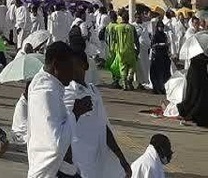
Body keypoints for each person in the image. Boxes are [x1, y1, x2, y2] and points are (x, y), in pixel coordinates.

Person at [27, 42, 94, 178]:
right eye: (69, 68)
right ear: (56, 65)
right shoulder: (45, 92)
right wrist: (75, 112)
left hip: (64, 168)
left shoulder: (49, 84)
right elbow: (54, 145)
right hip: (52, 169)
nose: (72, 75)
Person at [64, 50, 128, 178]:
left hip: (97, 158)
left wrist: (121, 157)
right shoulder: (67, 92)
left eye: (74, 64)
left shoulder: (93, 91)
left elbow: (103, 125)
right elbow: (63, 128)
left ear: (85, 66)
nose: (71, 69)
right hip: (78, 159)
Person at [105, 11, 138, 89]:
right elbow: (136, 40)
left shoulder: (117, 27)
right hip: (130, 50)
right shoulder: (131, 27)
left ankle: (124, 83)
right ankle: (129, 80)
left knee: (122, 66)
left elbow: (113, 39)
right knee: (132, 66)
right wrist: (138, 50)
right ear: (128, 18)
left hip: (119, 50)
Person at [150, 19, 172, 95]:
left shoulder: (164, 35)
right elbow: (153, 45)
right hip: (157, 56)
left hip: (164, 56)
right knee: (156, 73)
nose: (161, 28)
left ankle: (163, 87)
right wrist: (160, 44)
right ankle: (156, 88)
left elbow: (167, 44)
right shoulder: (155, 35)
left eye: (162, 27)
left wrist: (167, 47)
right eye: (160, 27)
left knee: (165, 73)